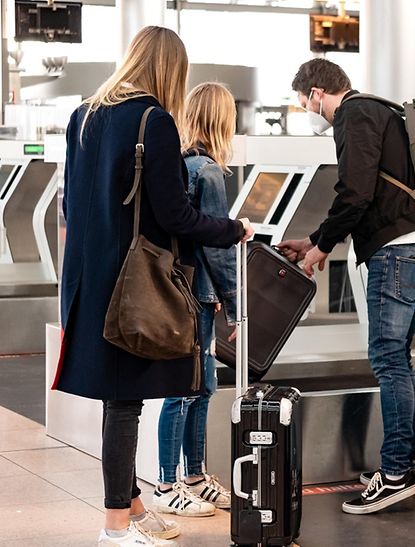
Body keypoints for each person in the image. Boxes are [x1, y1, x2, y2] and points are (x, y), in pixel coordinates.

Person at [52, 27, 253, 547]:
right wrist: (234, 229)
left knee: (119, 399)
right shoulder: (154, 120)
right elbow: (175, 214)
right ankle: (115, 526)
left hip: (87, 277)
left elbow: (71, 205)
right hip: (132, 282)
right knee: (124, 402)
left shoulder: (84, 115)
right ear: (170, 70)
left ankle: (136, 509)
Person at [279, 58, 415, 515]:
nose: (307, 111)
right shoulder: (381, 110)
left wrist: (323, 249)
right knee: (398, 359)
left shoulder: (352, 115)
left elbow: (355, 192)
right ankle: (398, 467)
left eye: (302, 102)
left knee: (388, 360)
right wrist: (315, 240)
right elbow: (369, 187)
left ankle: (396, 475)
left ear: (316, 92)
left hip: (397, 250)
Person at [153, 82, 237, 517]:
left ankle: (194, 476)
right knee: (187, 389)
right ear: (222, 120)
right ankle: (168, 482)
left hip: (180, 290)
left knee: (200, 387)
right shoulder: (207, 171)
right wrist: (235, 303)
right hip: (199, 295)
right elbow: (218, 245)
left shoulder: (181, 164)